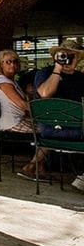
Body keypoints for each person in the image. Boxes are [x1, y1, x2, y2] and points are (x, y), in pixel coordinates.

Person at [19, 39, 84, 182]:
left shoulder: (81, 78)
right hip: (51, 127)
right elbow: (44, 93)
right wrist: (57, 69)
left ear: (78, 59)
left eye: (72, 56)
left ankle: (34, 165)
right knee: (55, 126)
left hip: (73, 127)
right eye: (64, 55)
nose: (68, 59)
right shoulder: (46, 73)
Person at [0, 49, 33, 133]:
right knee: (47, 132)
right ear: (1, 64)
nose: (12, 64)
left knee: (48, 127)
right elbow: (22, 104)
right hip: (11, 123)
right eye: (8, 62)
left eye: (15, 61)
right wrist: (43, 111)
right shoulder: (3, 81)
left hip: (18, 119)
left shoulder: (11, 81)